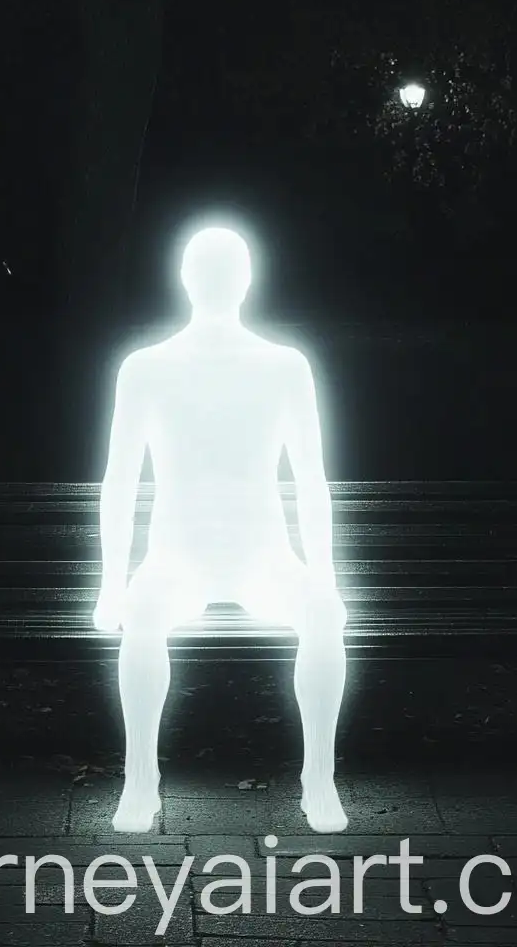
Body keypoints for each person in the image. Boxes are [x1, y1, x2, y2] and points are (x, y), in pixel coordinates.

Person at [92, 226, 347, 833]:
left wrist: (326, 580)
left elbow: (313, 480)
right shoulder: (147, 369)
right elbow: (119, 479)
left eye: (225, 272)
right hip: (177, 557)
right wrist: (111, 585)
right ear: (187, 280)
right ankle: (138, 779)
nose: (215, 283)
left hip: (262, 556)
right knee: (145, 612)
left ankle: (319, 776)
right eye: (207, 271)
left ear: (246, 280)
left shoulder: (283, 366)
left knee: (320, 614)